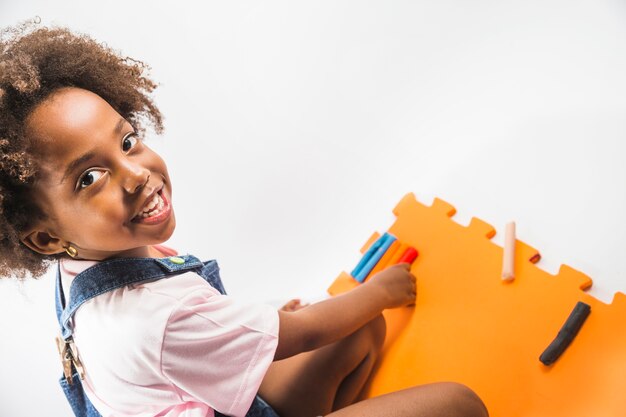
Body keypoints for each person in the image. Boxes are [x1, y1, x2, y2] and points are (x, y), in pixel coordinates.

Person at [0, 19, 489, 417]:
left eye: (127, 142)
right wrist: (379, 292)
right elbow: (304, 334)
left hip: (211, 403)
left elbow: (192, 338)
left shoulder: (83, 263)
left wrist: (265, 323)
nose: (136, 175)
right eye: (89, 178)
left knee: (360, 328)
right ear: (44, 236)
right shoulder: (148, 319)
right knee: (460, 404)